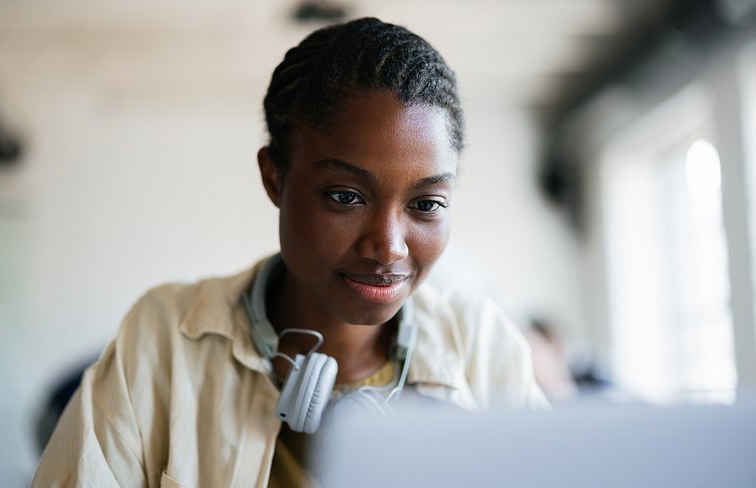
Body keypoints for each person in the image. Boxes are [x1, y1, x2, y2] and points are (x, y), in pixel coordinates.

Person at [31, 17, 547, 488]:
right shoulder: (164, 339)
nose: (387, 246)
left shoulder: (483, 347)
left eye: (427, 203)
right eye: (345, 196)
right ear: (274, 178)